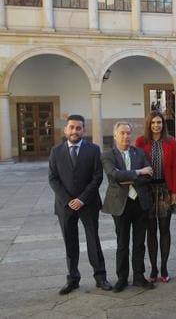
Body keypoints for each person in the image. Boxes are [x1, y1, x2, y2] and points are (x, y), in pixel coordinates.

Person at [48, 114, 111, 295]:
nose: (75, 131)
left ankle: (100, 277)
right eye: (72, 127)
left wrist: (82, 199)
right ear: (66, 129)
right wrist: (69, 200)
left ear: (84, 130)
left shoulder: (93, 150)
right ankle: (73, 279)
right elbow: (53, 179)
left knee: (93, 240)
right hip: (65, 206)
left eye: (78, 128)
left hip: (88, 203)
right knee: (70, 242)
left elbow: (97, 177)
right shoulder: (56, 151)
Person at [101, 122, 155, 292]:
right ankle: (122, 278)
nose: (126, 136)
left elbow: (149, 176)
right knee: (122, 243)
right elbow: (114, 175)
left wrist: (130, 177)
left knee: (139, 243)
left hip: (140, 203)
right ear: (115, 135)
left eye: (128, 133)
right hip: (120, 204)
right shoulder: (107, 155)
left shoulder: (139, 152)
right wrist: (139, 172)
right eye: (122, 133)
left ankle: (139, 276)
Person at [135, 111, 176, 283]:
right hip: (147, 190)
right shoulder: (141, 141)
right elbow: (137, 164)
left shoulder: (170, 141)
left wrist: (175, 191)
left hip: (165, 189)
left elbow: (175, 166)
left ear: (163, 124)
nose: (156, 125)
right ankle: (153, 268)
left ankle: (164, 267)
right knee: (151, 230)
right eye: (153, 122)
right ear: (148, 124)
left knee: (165, 229)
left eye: (159, 122)